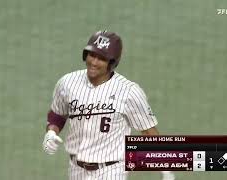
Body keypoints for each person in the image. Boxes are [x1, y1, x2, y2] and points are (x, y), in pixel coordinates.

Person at [42, 30, 175, 180]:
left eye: (101, 58)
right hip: (76, 170)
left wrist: (166, 168)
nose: (94, 62)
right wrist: (51, 132)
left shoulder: (129, 92)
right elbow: (57, 114)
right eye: (92, 55)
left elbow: (148, 132)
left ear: (112, 62)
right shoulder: (67, 83)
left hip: (111, 170)